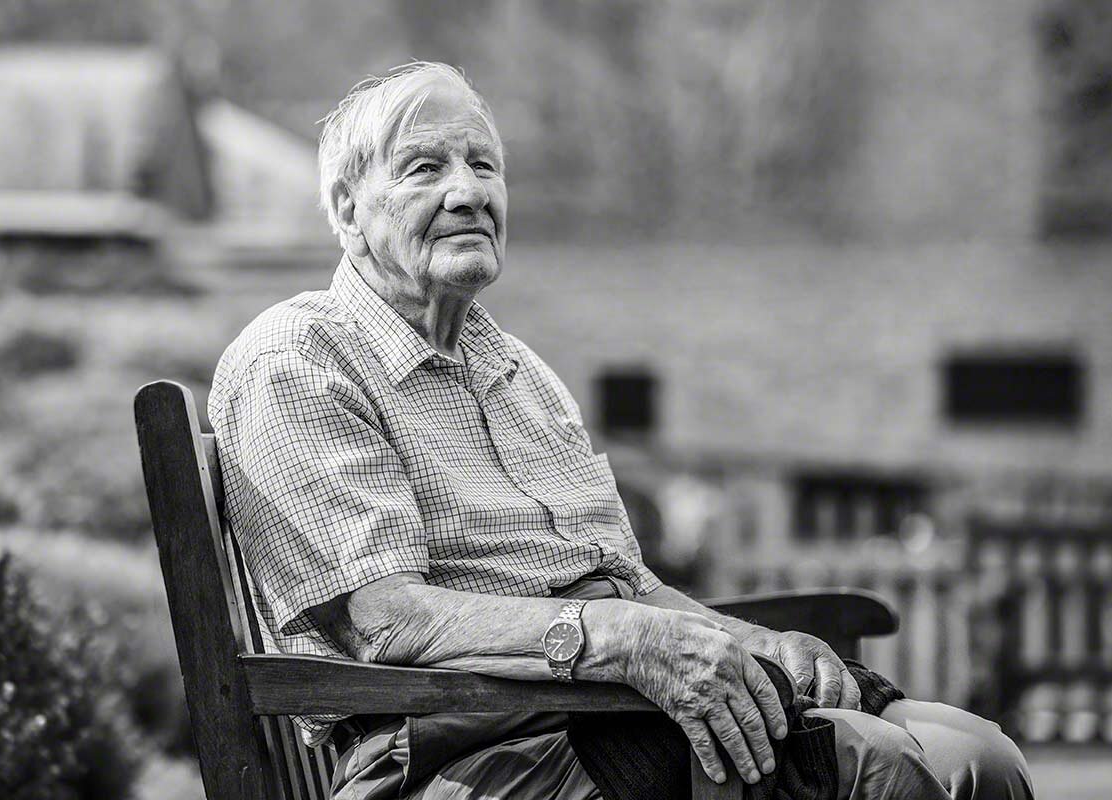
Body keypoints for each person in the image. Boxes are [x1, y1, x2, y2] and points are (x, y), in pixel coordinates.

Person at [209, 62, 1033, 800]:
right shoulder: (298, 359)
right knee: (890, 773)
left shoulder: (518, 371)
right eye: (425, 168)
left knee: (978, 754)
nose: (468, 192)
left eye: (484, 165)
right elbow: (387, 622)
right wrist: (622, 640)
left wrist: (762, 644)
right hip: (481, 754)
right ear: (348, 210)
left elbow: (628, 585)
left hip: (600, 714)